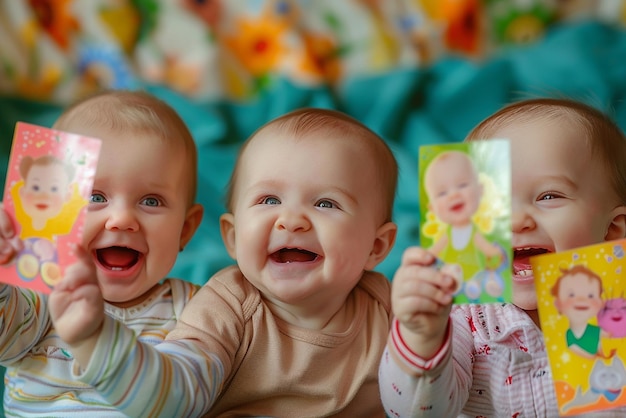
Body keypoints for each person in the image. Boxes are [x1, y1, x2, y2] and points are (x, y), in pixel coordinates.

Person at [48, 107, 399, 417]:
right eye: (269, 199)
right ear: (232, 236)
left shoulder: (386, 306)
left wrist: (426, 335)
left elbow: (434, 396)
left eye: (325, 204)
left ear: (377, 246)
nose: (291, 220)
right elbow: (174, 398)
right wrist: (96, 341)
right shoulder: (226, 308)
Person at [379, 97, 626, 417]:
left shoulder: (616, 307)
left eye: (548, 196)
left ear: (613, 230)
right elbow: (418, 413)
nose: (514, 221)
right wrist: (422, 338)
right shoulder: (461, 317)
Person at [0, 90, 204, 416]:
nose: (122, 218)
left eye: (151, 201)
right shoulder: (39, 295)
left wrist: (93, 336)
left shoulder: (196, 312)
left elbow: (184, 402)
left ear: (185, 229)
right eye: (95, 196)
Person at [422, 150, 503, 300]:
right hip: (451, 273)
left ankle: (484, 284)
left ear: (480, 191)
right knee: (445, 276)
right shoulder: (447, 234)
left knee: (481, 275)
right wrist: (425, 257)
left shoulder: (474, 231)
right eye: (442, 193)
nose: (454, 195)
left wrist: (493, 251)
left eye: (462, 185)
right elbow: (436, 249)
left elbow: (483, 245)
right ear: (433, 208)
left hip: (472, 270)